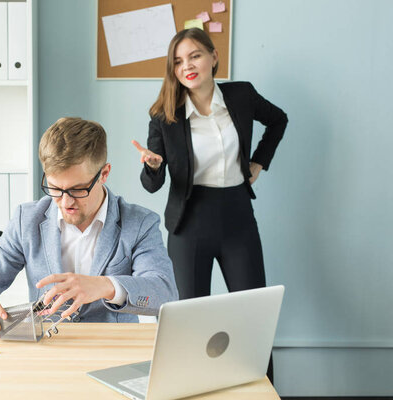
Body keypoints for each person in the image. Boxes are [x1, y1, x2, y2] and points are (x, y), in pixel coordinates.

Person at [132, 29, 287, 382]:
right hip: (190, 224)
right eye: (178, 61)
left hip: (237, 217)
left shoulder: (241, 95)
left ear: (214, 57)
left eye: (195, 56)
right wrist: (152, 166)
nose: (187, 66)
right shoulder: (164, 115)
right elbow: (151, 185)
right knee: (189, 324)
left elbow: (278, 119)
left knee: (252, 318)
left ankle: (263, 392)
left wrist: (259, 162)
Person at [0, 117, 178, 337]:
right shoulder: (27, 219)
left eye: (78, 189)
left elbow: (164, 293)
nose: (66, 202)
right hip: (48, 352)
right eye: (55, 188)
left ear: (104, 174)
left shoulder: (140, 223)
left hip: (113, 349)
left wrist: (105, 286)